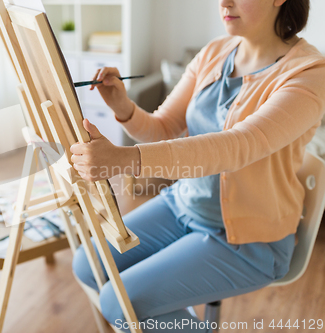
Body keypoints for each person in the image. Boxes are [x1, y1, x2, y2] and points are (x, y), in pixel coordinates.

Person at [69, 0, 325, 332]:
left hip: (249, 240)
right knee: (89, 264)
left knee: (119, 302)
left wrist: (125, 160)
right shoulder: (215, 52)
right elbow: (162, 127)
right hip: (183, 203)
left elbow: (237, 146)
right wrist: (124, 107)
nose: (224, 3)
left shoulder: (308, 75)